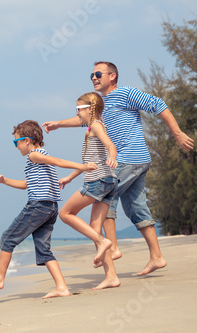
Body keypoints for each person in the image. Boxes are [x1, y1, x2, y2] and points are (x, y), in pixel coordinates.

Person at [43, 61, 194, 276]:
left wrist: (177, 133)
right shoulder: (102, 104)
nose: (94, 78)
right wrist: (58, 123)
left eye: (98, 74)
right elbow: (86, 119)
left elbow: (158, 104)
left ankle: (112, 248)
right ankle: (157, 257)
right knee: (136, 208)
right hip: (137, 161)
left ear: (112, 76)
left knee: (104, 199)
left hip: (128, 158)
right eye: (92, 75)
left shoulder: (126, 93)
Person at [0, 120, 97, 298]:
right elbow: (24, 184)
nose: (16, 146)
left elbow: (58, 161)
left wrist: (82, 167)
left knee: (7, 239)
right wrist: (4, 181)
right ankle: (62, 287)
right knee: (43, 250)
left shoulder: (34, 155)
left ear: (27, 140)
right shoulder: (39, 158)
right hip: (50, 208)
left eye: (16, 142)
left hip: (38, 206)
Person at [57, 91, 120, 290]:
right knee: (94, 227)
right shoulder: (94, 126)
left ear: (90, 109)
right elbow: (88, 162)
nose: (77, 114)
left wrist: (112, 156)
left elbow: (110, 145)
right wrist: (70, 176)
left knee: (65, 213)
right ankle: (111, 276)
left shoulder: (96, 126)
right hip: (109, 182)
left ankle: (102, 241)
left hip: (98, 182)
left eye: (78, 110)